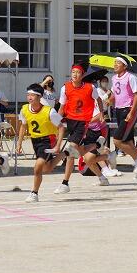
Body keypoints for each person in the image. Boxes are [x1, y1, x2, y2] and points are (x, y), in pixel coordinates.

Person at [55, 64, 106, 194]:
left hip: (83, 122)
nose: (75, 74)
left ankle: (65, 183)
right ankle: (97, 145)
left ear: (82, 75)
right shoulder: (65, 88)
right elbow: (62, 107)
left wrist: (101, 113)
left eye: (78, 72)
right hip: (70, 121)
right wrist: (56, 121)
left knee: (71, 150)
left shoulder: (90, 87)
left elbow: (99, 100)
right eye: (73, 72)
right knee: (77, 152)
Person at [17, 84, 70, 202]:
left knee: (38, 166)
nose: (29, 97)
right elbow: (23, 126)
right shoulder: (24, 109)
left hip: (48, 139)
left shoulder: (49, 111)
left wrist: (58, 145)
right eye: (28, 95)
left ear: (39, 97)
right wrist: (19, 143)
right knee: (46, 169)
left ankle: (34, 193)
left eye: (32, 95)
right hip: (35, 141)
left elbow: (61, 127)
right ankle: (65, 153)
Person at [109, 57, 137, 179]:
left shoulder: (130, 77)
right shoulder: (113, 78)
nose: (115, 65)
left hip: (128, 109)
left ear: (125, 66)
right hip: (118, 110)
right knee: (127, 140)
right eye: (114, 63)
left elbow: (136, 95)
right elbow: (114, 94)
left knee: (117, 140)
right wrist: (108, 100)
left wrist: (132, 112)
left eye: (118, 63)